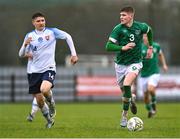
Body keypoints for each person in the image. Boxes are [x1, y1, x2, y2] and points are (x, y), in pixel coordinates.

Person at [19, 12, 78, 128]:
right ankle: (49, 120)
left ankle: (51, 104)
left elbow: (68, 37)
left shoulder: (52, 32)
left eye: (43, 20)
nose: (41, 23)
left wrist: (74, 54)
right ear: (33, 23)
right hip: (34, 71)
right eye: (38, 21)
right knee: (40, 101)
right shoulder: (29, 36)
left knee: (45, 89)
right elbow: (21, 54)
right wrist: (25, 45)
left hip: (49, 68)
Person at [105, 6, 153, 127]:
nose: (121, 17)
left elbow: (149, 30)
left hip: (135, 62)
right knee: (125, 92)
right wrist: (123, 47)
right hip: (120, 64)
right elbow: (108, 46)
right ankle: (131, 99)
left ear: (131, 16)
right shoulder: (118, 29)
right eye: (120, 15)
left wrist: (150, 47)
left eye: (124, 15)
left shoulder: (140, 26)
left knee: (127, 84)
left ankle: (124, 115)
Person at [140, 34, 168, 118]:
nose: (146, 38)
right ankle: (150, 110)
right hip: (144, 74)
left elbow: (161, 54)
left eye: (147, 36)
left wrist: (164, 65)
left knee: (151, 89)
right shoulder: (140, 47)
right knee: (145, 97)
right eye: (144, 36)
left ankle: (154, 104)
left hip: (154, 72)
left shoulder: (156, 46)